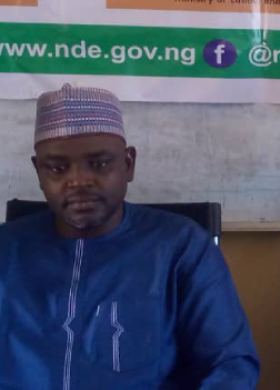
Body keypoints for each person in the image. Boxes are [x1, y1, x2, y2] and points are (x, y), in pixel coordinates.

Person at [0, 84, 259, 389]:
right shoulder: (7, 249)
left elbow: (230, 364)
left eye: (99, 164)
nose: (78, 181)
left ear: (129, 163)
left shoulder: (180, 247)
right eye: (57, 168)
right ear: (38, 172)